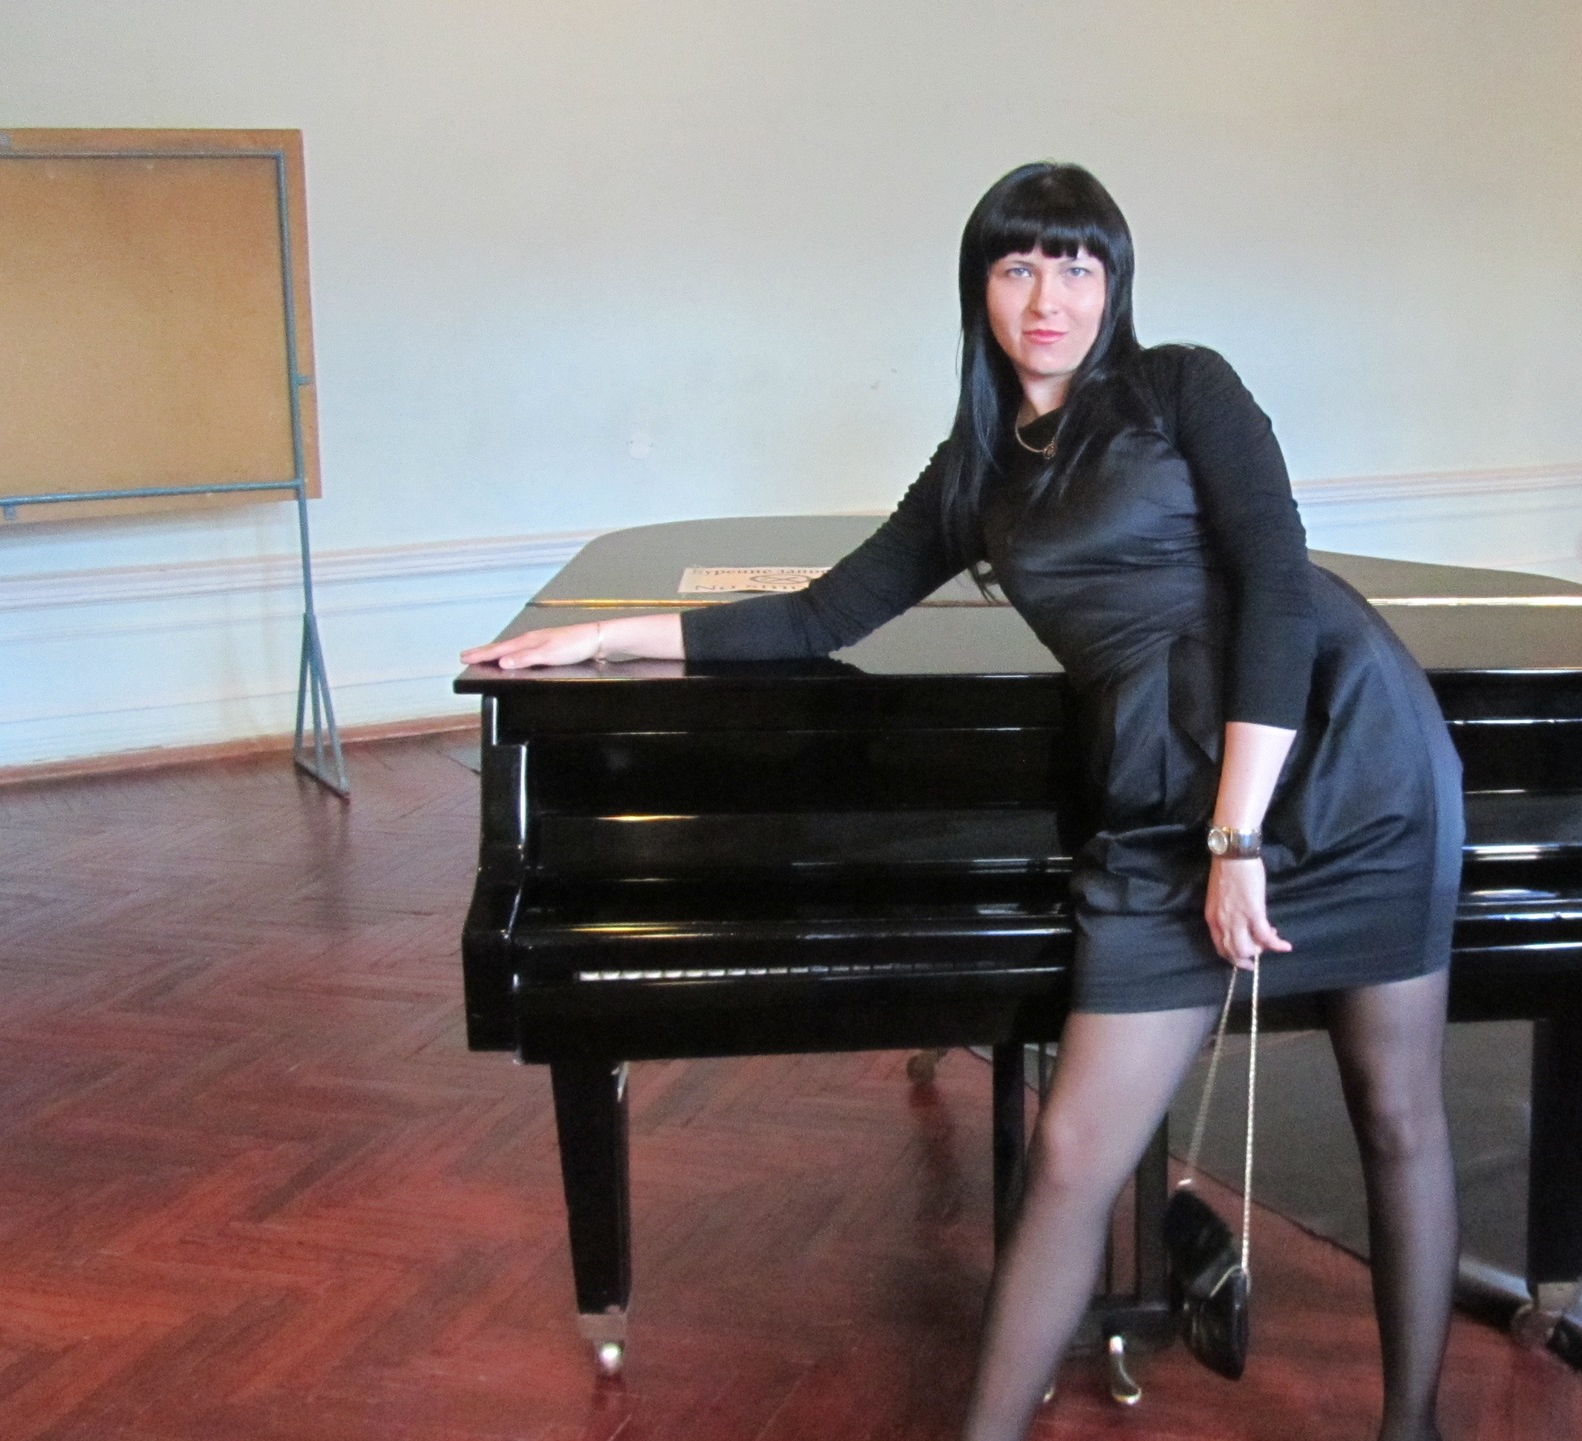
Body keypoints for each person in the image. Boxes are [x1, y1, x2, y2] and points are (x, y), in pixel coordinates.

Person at [462, 163, 1465, 1441]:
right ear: (979, 287)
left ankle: (1413, 1425)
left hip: (1339, 748)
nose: (1049, 298)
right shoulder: (976, 470)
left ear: (1115, 282)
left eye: (1077, 267)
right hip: (1160, 790)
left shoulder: (1182, 388)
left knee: (1395, 1109)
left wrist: (1238, 832)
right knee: (1072, 1154)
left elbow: (1275, 583)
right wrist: (604, 635)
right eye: (1018, 266)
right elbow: (820, 614)